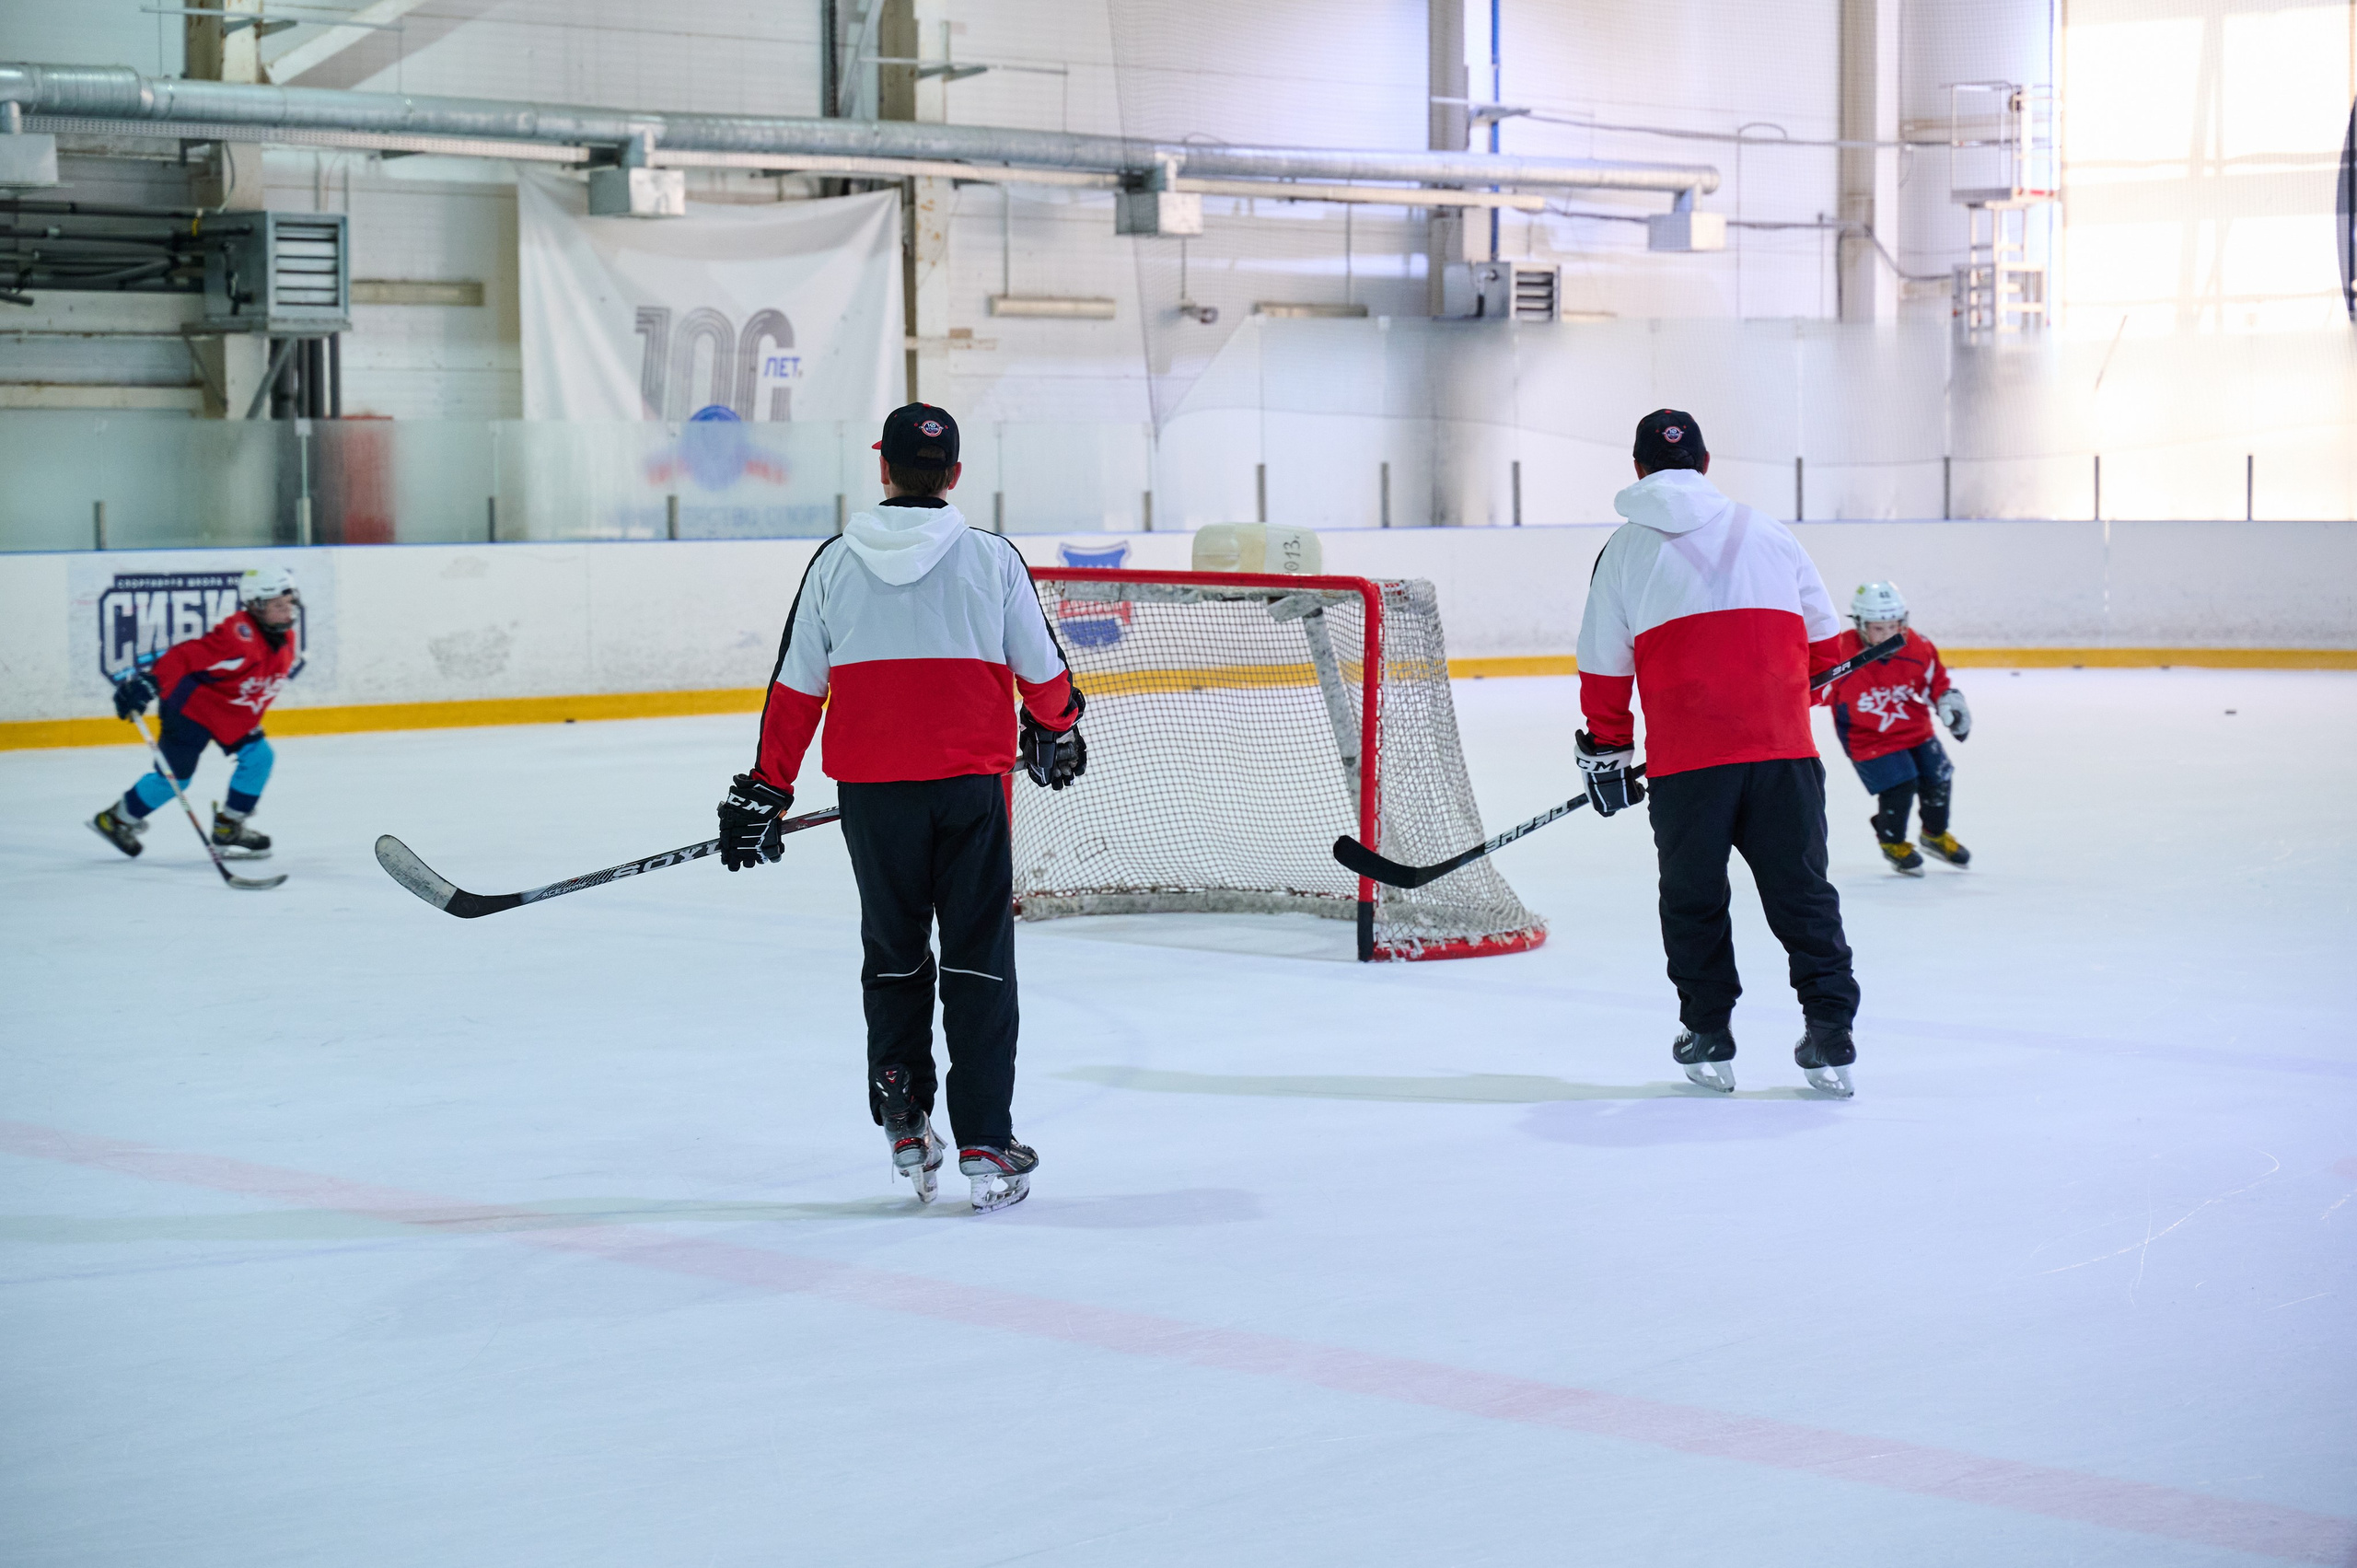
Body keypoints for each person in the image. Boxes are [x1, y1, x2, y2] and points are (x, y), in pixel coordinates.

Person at [715, 403, 1086, 1212]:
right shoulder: (992, 560)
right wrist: (1056, 728)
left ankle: (905, 1115)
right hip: (969, 794)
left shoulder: (834, 562)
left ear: (882, 468)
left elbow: (795, 687)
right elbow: (1045, 673)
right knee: (978, 958)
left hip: (874, 801)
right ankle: (985, 1133)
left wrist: (768, 787)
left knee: (893, 952)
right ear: (954, 475)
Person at [1573, 410, 1862, 1097]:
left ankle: (1707, 1029)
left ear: (1638, 469)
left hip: (1687, 768)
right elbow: (1829, 654)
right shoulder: (1771, 533)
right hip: (1784, 757)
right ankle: (1829, 1030)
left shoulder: (1621, 552)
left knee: (1693, 898)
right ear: (1706, 463)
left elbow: (1603, 670)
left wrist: (1609, 751)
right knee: (1802, 894)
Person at [91, 565, 301, 861]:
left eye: (289, 604)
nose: (288, 612)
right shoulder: (237, 637)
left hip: (231, 711)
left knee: (259, 758)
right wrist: (150, 682)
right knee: (174, 780)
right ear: (256, 605)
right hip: (191, 708)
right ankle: (115, 820)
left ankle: (229, 827)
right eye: (279, 606)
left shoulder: (285, 636)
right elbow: (185, 655)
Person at [1816, 581, 1972, 876]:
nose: (1889, 635)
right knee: (1900, 786)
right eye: (1879, 628)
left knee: (1938, 778)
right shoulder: (1839, 653)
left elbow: (1933, 684)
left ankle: (1935, 835)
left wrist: (1949, 703)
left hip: (1915, 730)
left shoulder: (1917, 646)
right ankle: (1893, 842)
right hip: (1866, 737)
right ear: (1860, 625)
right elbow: (1816, 692)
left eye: (1894, 626)